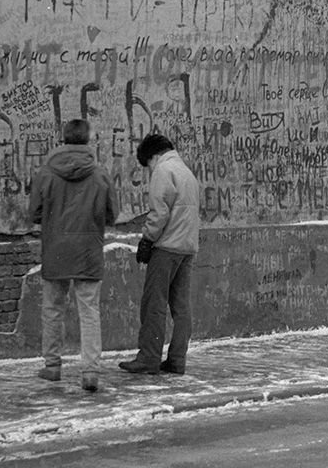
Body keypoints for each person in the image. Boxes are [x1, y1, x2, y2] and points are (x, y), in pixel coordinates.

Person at [29, 118, 119, 393]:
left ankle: (52, 366)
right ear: (88, 140)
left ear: (63, 139)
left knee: (52, 308)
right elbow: (112, 214)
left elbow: (34, 213)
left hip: (55, 248)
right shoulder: (100, 174)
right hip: (88, 249)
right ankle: (90, 371)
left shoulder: (46, 173)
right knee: (89, 310)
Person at [120, 133, 200, 376]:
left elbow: (159, 214)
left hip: (166, 247)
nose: (149, 170)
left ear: (153, 156)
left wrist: (147, 239)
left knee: (154, 304)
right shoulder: (187, 172)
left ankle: (149, 357)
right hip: (187, 247)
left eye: (148, 164)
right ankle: (177, 359)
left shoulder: (163, 171)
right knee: (181, 307)